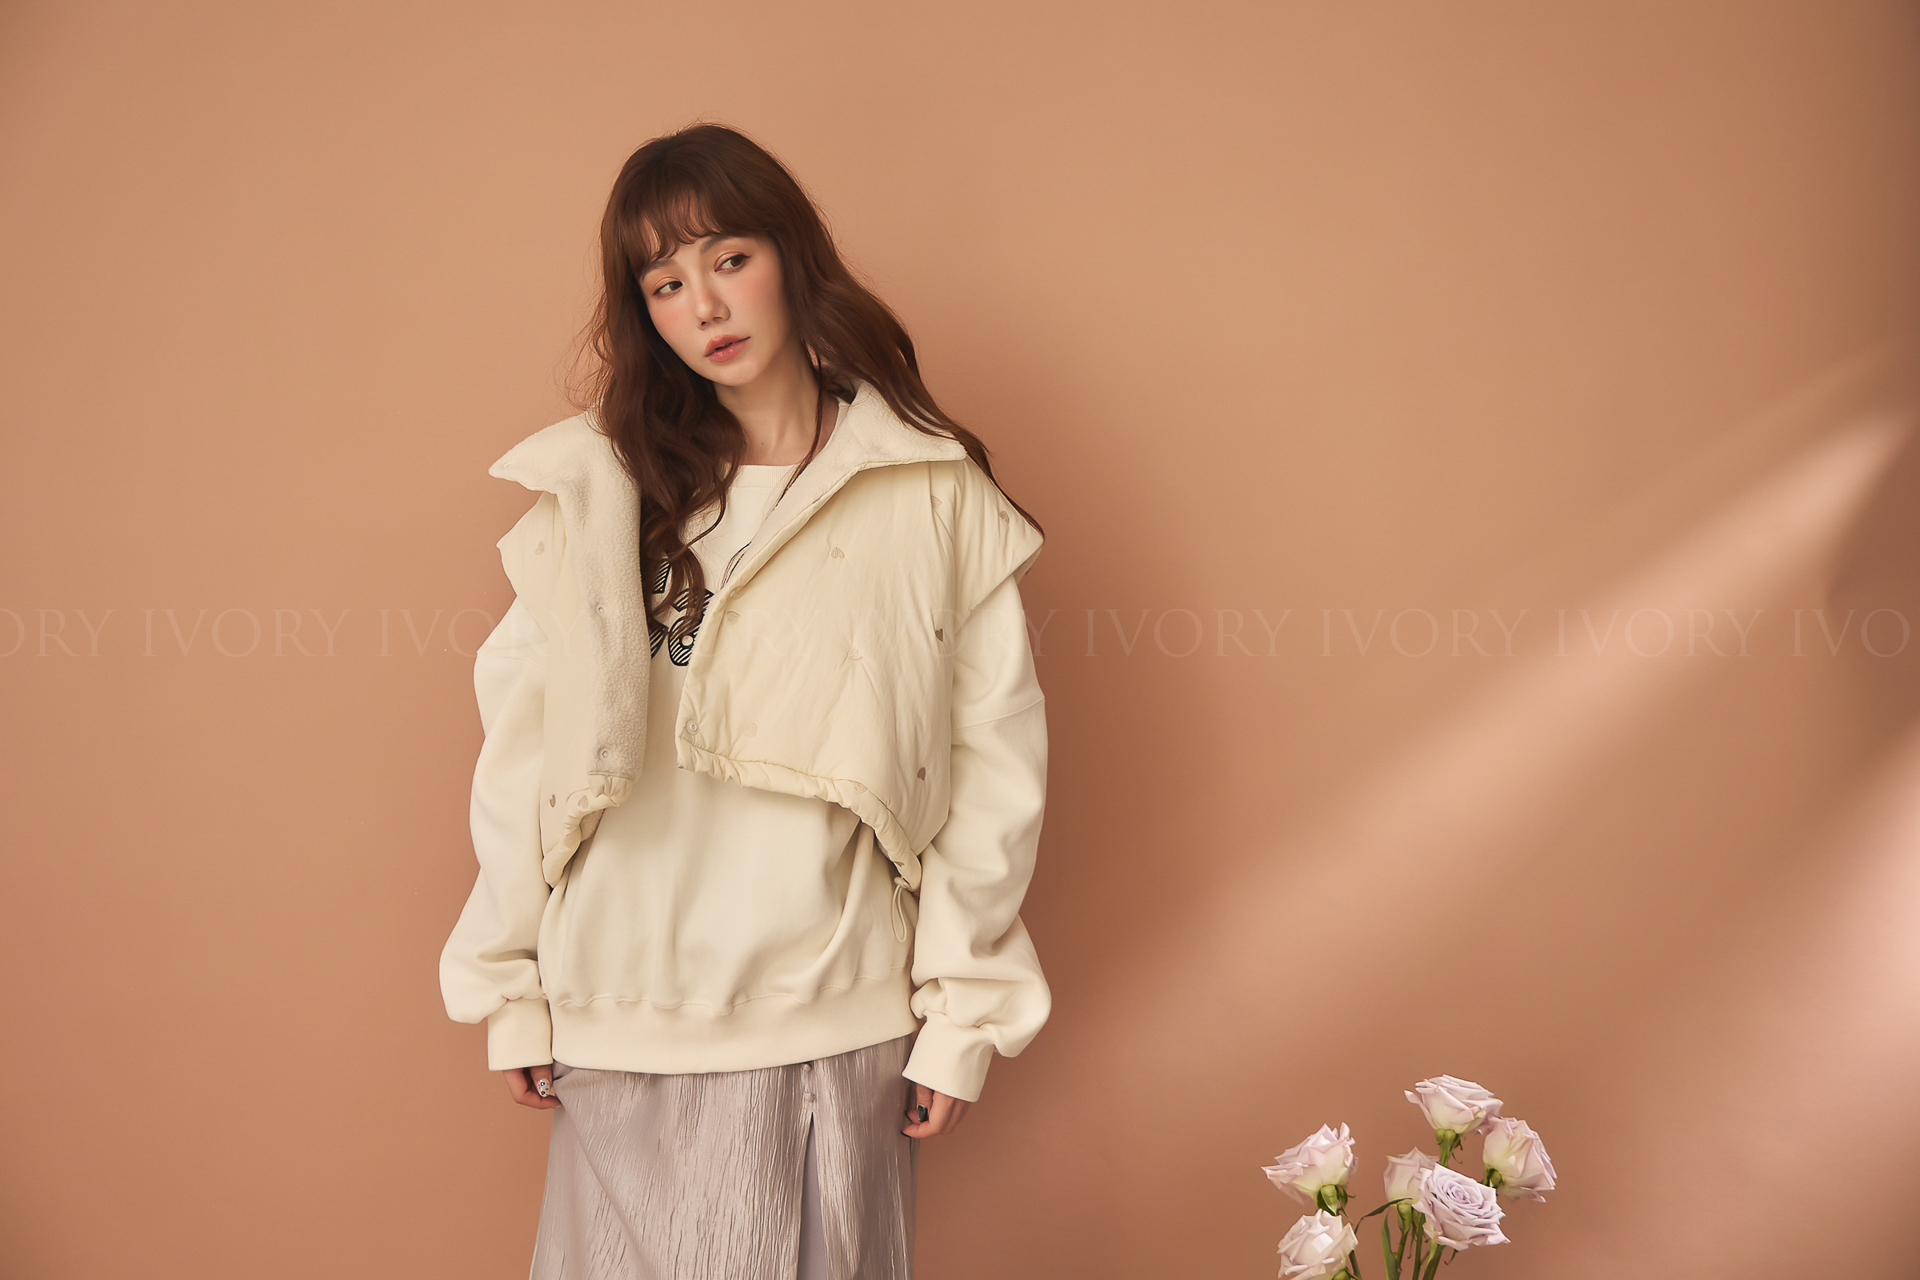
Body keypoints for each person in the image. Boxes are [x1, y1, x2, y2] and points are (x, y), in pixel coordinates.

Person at [438, 121, 1053, 1280]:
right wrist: (506, 982)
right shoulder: (602, 489)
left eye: (728, 258)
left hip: (833, 1016)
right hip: (618, 1007)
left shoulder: (925, 488)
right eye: (665, 283)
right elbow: (521, 752)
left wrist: (965, 1009)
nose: (706, 306)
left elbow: (993, 766)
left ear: (790, 255)